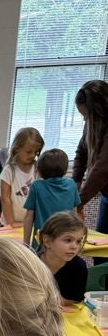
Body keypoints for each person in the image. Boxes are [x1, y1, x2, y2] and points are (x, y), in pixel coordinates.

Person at [22, 148, 80, 247]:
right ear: (65, 170)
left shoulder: (36, 186)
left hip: (42, 242)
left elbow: (29, 217)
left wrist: (26, 242)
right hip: (66, 241)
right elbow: (75, 214)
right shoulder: (71, 185)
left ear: (39, 172)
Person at [73, 79, 108, 234]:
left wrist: (79, 203)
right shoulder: (92, 123)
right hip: (107, 195)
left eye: (87, 115)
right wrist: (75, 181)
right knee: (101, 246)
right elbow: (82, 152)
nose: (85, 119)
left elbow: (103, 168)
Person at [37, 211, 88, 304]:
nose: (74, 246)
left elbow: (72, 300)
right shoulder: (29, 263)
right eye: (68, 240)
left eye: (78, 241)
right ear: (47, 242)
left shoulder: (78, 267)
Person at [0, 127, 44, 227]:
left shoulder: (38, 169)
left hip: (31, 224)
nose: (32, 155)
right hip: (11, 225)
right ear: (17, 148)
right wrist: (11, 223)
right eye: (29, 152)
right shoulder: (9, 171)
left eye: (36, 152)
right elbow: (5, 199)